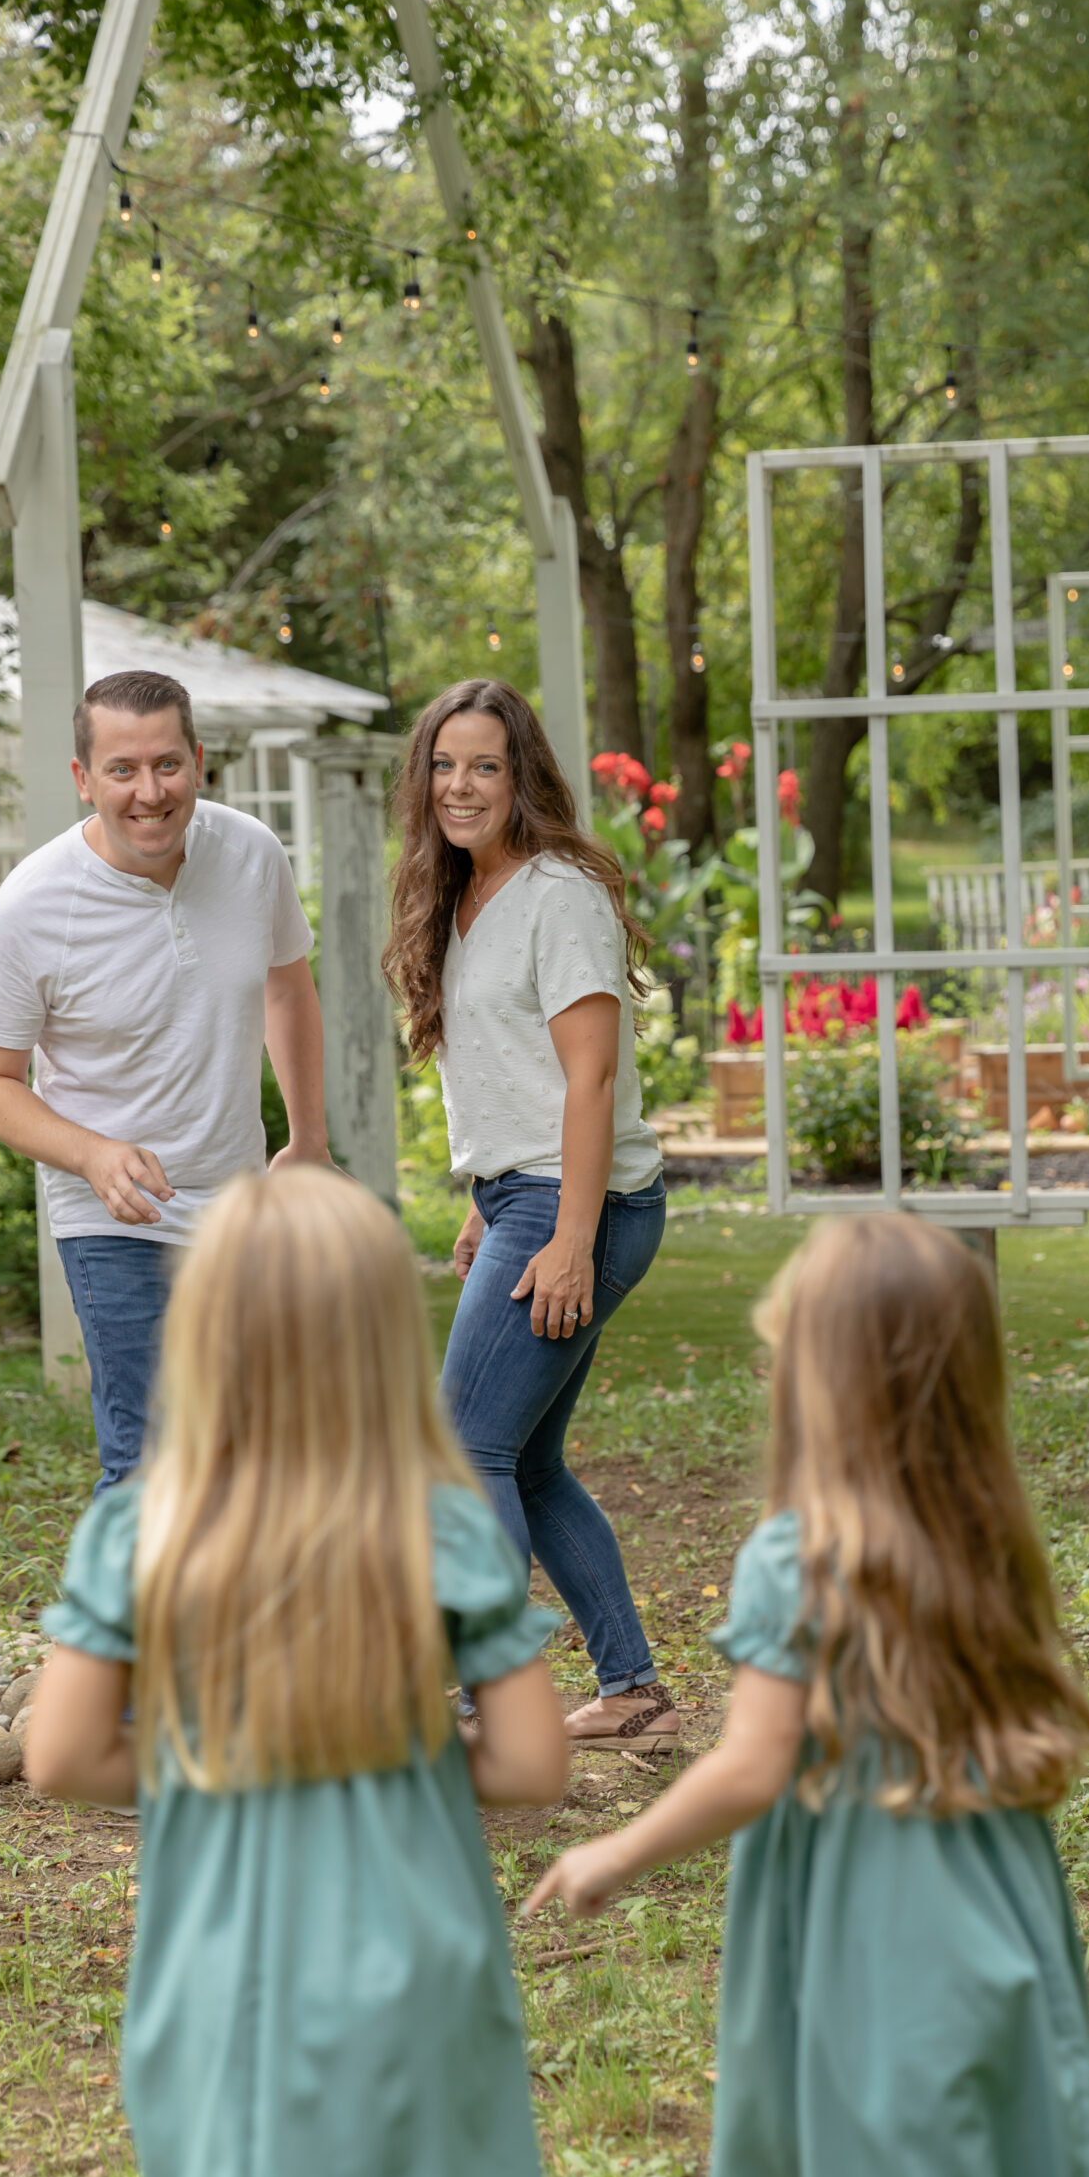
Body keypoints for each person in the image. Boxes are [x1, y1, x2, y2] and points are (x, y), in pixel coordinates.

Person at [527, 1214, 1089, 2177]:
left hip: (887, 1944)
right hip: (993, 1922)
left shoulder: (799, 1559)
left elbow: (750, 1764)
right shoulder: (977, 1537)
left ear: (822, 1387)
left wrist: (614, 1853)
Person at [23, 1167, 569, 2177]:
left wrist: (217, 1748)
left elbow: (60, 1757)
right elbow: (538, 1765)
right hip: (410, 1984)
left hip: (223, 1990)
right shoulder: (438, 1529)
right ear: (381, 1341)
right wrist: (397, 1745)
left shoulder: (139, 1531)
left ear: (203, 1336)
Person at [383, 678, 677, 1752]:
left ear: (523, 778)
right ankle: (633, 1691)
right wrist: (485, 1201)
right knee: (523, 1459)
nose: (460, 786)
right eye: (444, 765)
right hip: (528, 1194)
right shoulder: (460, 893)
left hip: (578, 1201)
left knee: (466, 1452)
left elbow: (590, 1082)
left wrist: (565, 1238)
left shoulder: (558, 892)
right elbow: (517, 1076)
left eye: (485, 766)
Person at [0, 668, 328, 1492]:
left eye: (166, 765)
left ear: (198, 760)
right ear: (84, 780)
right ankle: (131, 1622)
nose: (148, 792)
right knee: (149, 1466)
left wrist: (308, 1141)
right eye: (122, 770)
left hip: (236, 1206)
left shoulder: (251, 854)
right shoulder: (30, 908)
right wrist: (90, 1154)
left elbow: (287, 986)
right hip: (113, 1217)